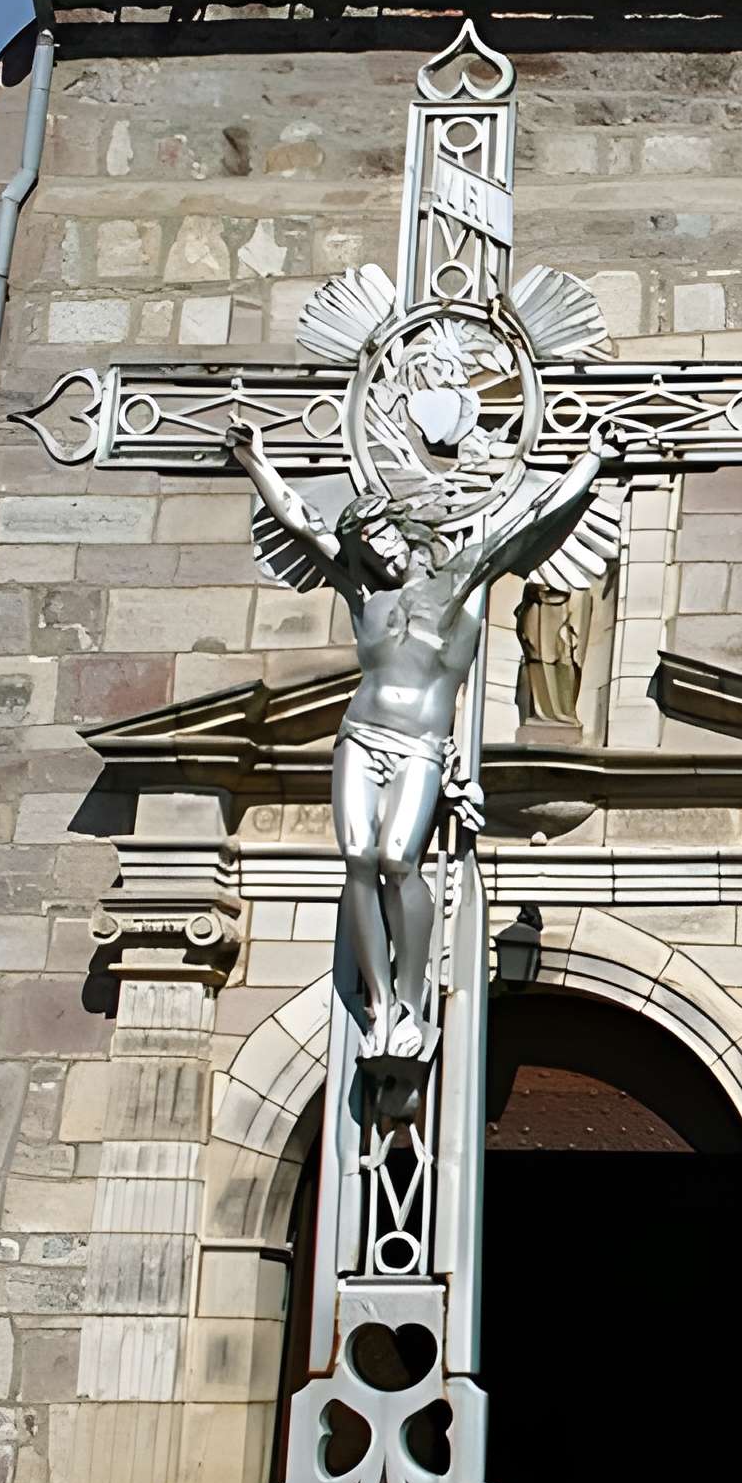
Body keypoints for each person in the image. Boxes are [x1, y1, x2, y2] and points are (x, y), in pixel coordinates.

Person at [226, 415, 624, 1070]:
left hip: (419, 747)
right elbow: (300, 518)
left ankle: (411, 1002)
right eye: (365, 542)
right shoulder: (361, 592)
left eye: (382, 534)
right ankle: (381, 1006)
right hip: (361, 735)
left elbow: (533, 519)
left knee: (395, 860)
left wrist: (589, 460)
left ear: (402, 530)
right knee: (357, 856)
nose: (379, 552)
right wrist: (255, 461)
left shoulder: (458, 582)